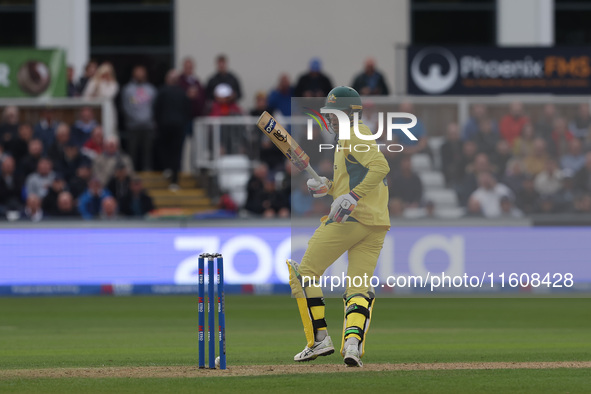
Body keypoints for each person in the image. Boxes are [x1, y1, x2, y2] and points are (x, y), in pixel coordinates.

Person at [287, 86, 390, 367]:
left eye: (333, 115)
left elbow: (381, 167)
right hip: (376, 223)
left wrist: (352, 197)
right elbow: (353, 180)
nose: (329, 121)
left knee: (302, 274)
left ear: (348, 114)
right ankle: (353, 345)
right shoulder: (351, 136)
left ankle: (319, 339)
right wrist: (329, 187)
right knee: (357, 287)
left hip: (352, 220)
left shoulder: (355, 134)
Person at [153, 69, 191, 189]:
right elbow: (188, 110)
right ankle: (174, 179)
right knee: (176, 152)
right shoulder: (182, 92)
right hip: (178, 126)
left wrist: (159, 123)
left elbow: (156, 109)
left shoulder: (162, 91)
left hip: (166, 126)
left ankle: (168, 170)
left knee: (166, 149)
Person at [121, 65, 157, 171]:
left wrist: (150, 119)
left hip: (148, 125)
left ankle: (147, 170)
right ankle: (132, 171)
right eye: (138, 73)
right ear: (134, 74)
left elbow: (155, 106)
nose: (140, 75)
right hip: (133, 126)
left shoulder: (151, 89)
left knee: (148, 151)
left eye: (142, 73)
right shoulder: (128, 89)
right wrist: (134, 118)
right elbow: (125, 107)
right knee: (132, 150)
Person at [83, 62, 119, 139]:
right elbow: (86, 95)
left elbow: (107, 96)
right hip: (94, 110)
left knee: (109, 130)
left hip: (108, 111)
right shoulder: (93, 81)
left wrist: (101, 85)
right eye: (103, 74)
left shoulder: (113, 84)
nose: (105, 76)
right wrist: (96, 83)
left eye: (107, 74)